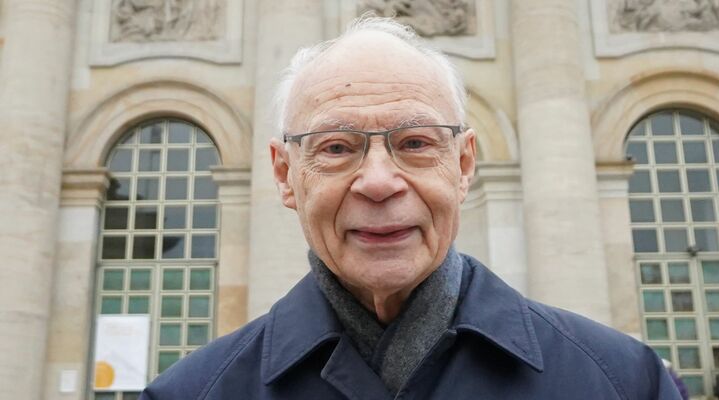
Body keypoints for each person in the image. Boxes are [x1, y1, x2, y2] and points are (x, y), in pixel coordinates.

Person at [140, 17, 681, 399]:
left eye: (416, 142)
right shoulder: (188, 394)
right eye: (337, 147)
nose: (379, 182)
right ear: (285, 175)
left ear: (463, 163)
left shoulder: (625, 383)